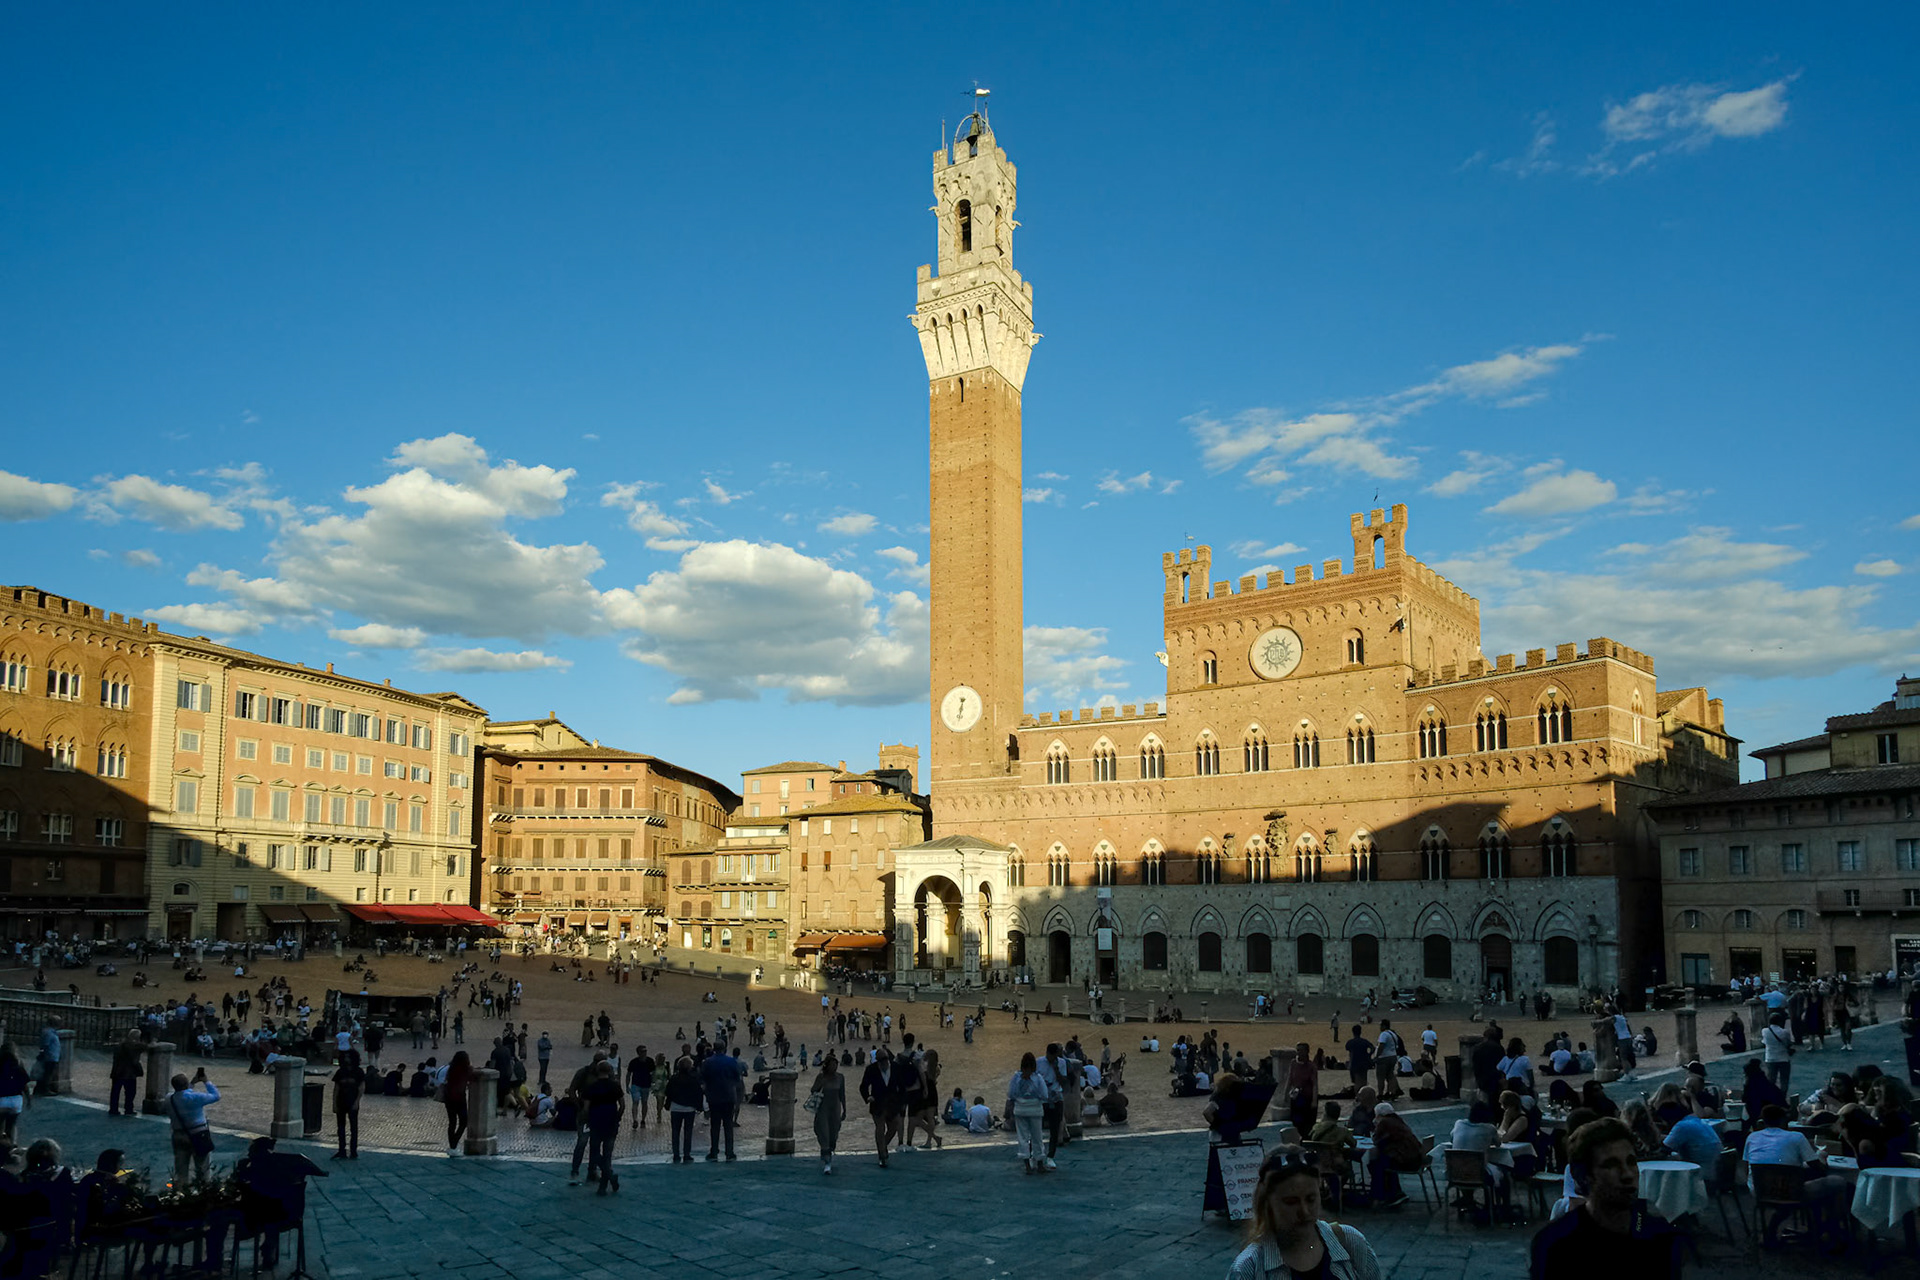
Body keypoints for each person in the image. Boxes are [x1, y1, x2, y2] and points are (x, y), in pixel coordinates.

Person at [1530, 1117, 1681, 1279]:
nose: (1627, 1174)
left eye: (1631, 1162)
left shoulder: (1659, 1235)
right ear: (1582, 1175)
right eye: (1611, 1165)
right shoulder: (1556, 1243)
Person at [1226, 1148, 1383, 1279]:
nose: (1305, 1211)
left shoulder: (1351, 1242)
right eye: (1291, 1202)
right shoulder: (1248, 1269)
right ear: (1268, 1203)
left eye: (1311, 1199)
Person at [1742, 1104, 1848, 1242]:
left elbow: (1746, 1166)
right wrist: (1822, 1157)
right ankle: (1831, 1229)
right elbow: (1818, 1167)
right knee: (1837, 1182)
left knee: (1790, 1186)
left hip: (1760, 1191)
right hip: (1792, 1192)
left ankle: (1780, 1228)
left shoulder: (1752, 1137)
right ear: (1782, 1120)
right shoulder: (1796, 1137)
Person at [167, 1067, 221, 1185]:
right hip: (198, 1134)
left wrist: (191, 1084)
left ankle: (180, 1193)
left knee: (180, 1169)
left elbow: (181, 1094)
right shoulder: (195, 1097)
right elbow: (216, 1096)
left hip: (178, 1135)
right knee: (203, 1168)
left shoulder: (169, 1099)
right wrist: (206, 1081)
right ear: (186, 1084)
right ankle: (203, 1191)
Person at [582, 1060, 624, 1195]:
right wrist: (618, 1117)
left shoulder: (591, 1087)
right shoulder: (615, 1086)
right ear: (609, 1071)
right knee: (607, 1154)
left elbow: (586, 1108)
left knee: (595, 1152)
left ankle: (607, 1179)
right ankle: (606, 1181)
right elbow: (622, 1105)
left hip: (596, 1121)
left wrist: (587, 1120)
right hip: (611, 1121)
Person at [1368, 1102, 1422, 1208]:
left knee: (1375, 1163)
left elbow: (1376, 1140)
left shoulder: (1385, 1123)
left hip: (1405, 1160)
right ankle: (1394, 1191)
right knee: (1383, 1160)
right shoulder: (1397, 1121)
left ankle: (1381, 1195)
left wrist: (1376, 1125)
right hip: (1414, 1158)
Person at [1008, 1052, 1051, 1174]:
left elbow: (1011, 1094)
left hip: (1020, 1109)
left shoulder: (1016, 1077)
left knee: (1023, 1138)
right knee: (1037, 1137)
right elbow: (1044, 1095)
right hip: (1035, 1109)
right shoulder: (1038, 1078)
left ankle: (1027, 1165)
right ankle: (1040, 1164)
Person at [700, 1042, 742, 1161]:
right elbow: (737, 1077)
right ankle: (729, 1151)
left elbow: (703, 1077)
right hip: (728, 1095)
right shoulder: (731, 1061)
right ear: (724, 1048)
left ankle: (714, 1150)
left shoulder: (708, 1062)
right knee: (728, 1124)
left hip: (714, 1096)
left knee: (715, 1125)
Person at [664, 1057, 704, 1164]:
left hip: (676, 1108)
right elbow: (698, 1093)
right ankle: (687, 1154)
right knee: (688, 1132)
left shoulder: (674, 1078)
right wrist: (699, 1106)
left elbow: (668, 1092)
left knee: (675, 1132)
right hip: (689, 1109)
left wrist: (668, 1103)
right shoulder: (693, 1079)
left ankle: (676, 1154)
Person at [810, 1055, 846, 1174]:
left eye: (836, 1065)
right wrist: (819, 1087)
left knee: (834, 1134)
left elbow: (842, 1094)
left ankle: (827, 1152)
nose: (834, 1068)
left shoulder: (840, 1077)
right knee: (824, 1133)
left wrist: (845, 1109)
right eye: (832, 1065)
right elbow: (813, 1089)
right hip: (823, 1109)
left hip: (835, 1108)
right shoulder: (821, 1077)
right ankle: (827, 1162)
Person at [332, 1051, 364, 1160]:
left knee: (353, 1128)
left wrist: (357, 1102)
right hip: (341, 1101)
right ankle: (342, 1150)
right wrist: (334, 1103)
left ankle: (353, 1151)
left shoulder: (358, 1072)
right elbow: (336, 1088)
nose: (346, 1059)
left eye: (348, 1057)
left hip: (352, 1101)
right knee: (340, 1128)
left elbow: (361, 1088)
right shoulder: (340, 1072)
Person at [443, 1050, 473, 1156]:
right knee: (464, 1121)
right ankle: (454, 1143)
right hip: (459, 1098)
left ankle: (452, 1146)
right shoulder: (466, 1069)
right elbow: (471, 1077)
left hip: (448, 1098)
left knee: (452, 1122)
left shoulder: (451, 1069)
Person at [108, 1031, 144, 1117]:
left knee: (115, 1092)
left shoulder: (120, 1044)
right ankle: (128, 1109)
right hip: (128, 1073)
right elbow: (143, 1049)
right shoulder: (134, 1046)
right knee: (130, 1092)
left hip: (117, 1071)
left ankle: (113, 1109)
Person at [1760, 1011, 1793, 1093]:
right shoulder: (1784, 1032)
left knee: (1771, 1079)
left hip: (1770, 1058)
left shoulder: (1765, 1031)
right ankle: (1783, 1097)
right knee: (1784, 1080)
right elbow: (1788, 1043)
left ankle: (1771, 1096)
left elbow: (1764, 1042)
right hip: (1783, 1058)